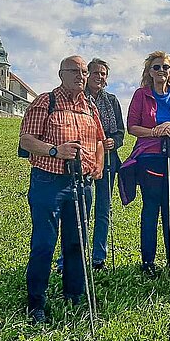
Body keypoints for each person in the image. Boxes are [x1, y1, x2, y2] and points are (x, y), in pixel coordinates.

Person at [19, 55, 105, 323]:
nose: (81, 75)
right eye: (75, 71)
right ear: (61, 74)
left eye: (83, 71)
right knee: (44, 242)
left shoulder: (90, 107)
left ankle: (74, 296)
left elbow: (100, 140)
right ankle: (36, 303)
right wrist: (56, 151)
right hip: (49, 181)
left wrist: (99, 165)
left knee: (77, 242)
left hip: (81, 183)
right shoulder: (46, 101)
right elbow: (26, 140)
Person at [56, 58, 124, 272]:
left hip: (108, 160)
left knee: (103, 208)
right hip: (82, 160)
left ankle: (98, 257)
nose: (100, 77)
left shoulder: (111, 100)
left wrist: (115, 141)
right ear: (87, 75)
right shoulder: (77, 99)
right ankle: (69, 259)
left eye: (104, 74)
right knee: (77, 210)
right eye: (95, 73)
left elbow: (120, 131)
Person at [127, 50, 170, 277]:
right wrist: (156, 131)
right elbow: (132, 127)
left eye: (166, 67)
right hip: (150, 157)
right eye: (157, 67)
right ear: (149, 71)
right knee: (151, 209)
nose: (162, 71)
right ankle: (148, 261)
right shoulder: (141, 95)